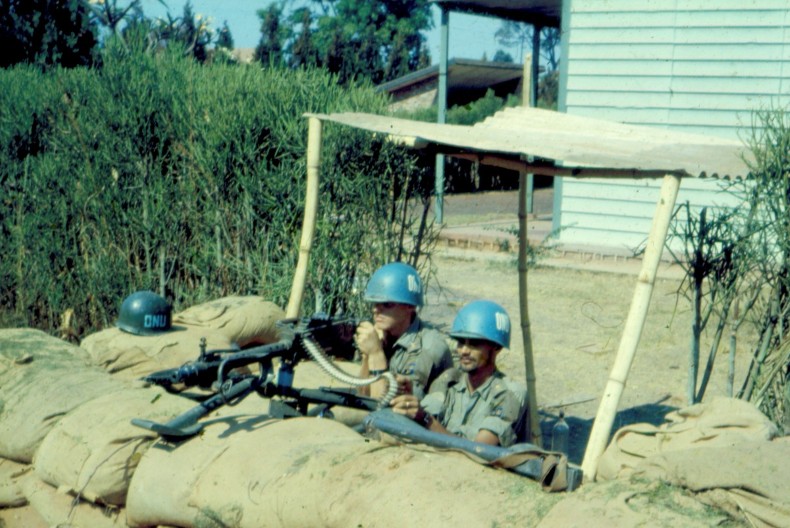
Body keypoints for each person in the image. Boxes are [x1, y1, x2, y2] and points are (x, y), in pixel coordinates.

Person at [390, 300, 524, 447]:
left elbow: (479, 449)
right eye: (461, 342)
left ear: (496, 347)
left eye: (474, 344)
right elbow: (427, 413)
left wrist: (426, 419)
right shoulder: (450, 380)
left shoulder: (509, 394)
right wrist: (409, 400)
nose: (464, 351)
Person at [355, 262, 453, 400]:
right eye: (375, 303)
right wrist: (368, 355)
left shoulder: (428, 348)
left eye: (387, 304)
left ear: (410, 307)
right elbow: (362, 395)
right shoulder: (385, 334)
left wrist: (376, 354)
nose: (376, 310)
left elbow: (384, 406)